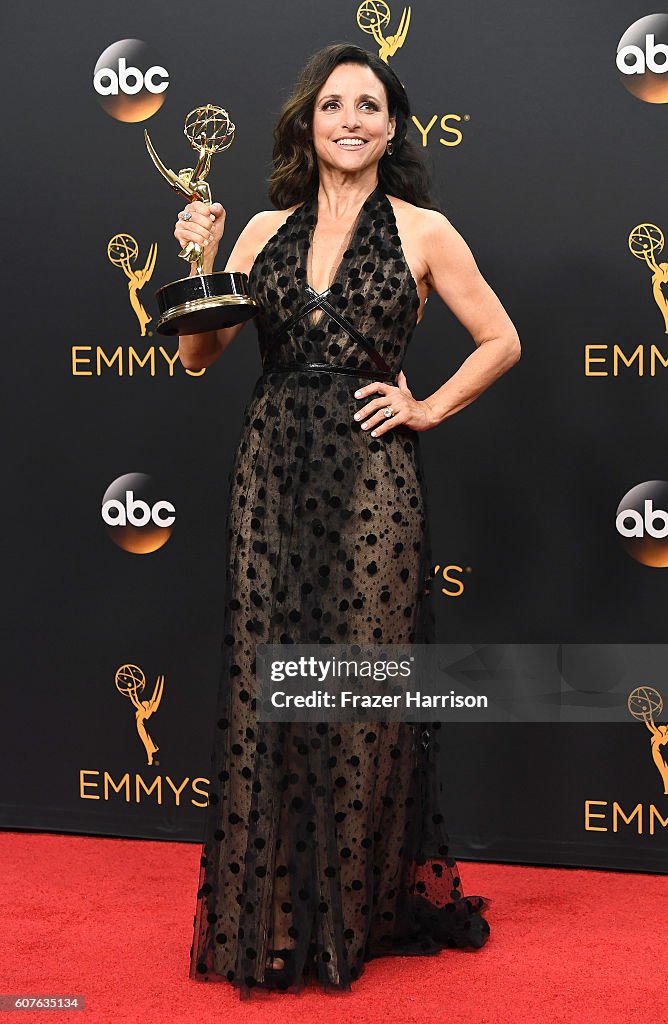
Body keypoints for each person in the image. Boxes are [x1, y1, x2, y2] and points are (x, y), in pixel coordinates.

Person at [180, 42, 520, 999]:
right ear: (308, 123)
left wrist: (426, 407)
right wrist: (199, 259)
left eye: (370, 104)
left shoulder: (424, 230)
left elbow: (502, 338)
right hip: (273, 473)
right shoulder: (257, 230)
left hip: (374, 478)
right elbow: (199, 355)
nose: (351, 119)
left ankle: (354, 913)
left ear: (392, 126)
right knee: (269, 688)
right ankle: (278, 910)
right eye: (334, 104)